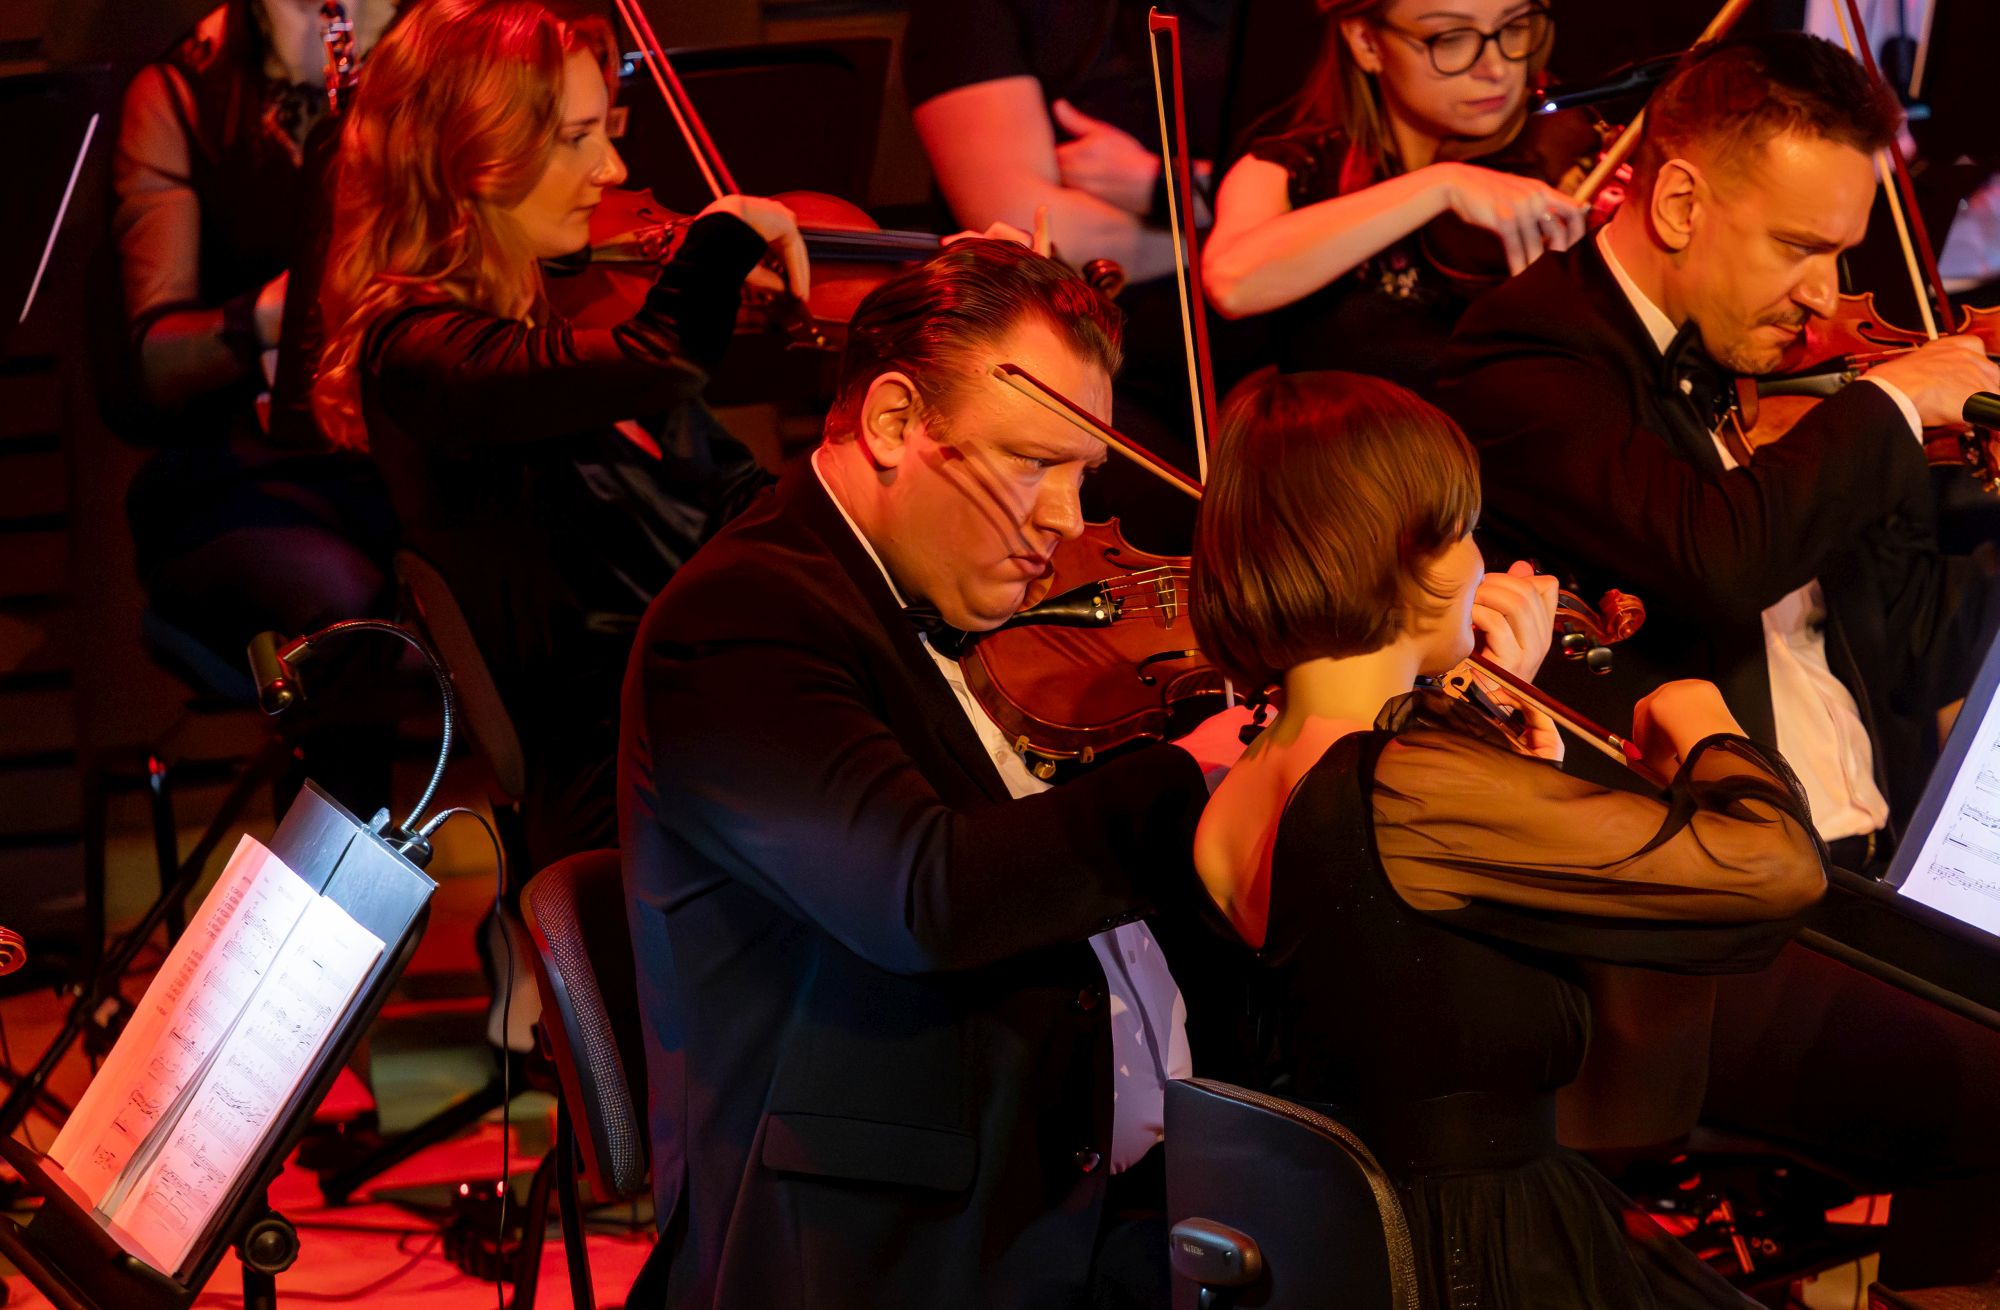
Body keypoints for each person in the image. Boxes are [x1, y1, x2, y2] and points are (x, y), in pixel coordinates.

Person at [1432, 31, 2000, 1288]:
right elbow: (1711, 555)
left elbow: (1912, 654)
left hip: (1863, 887)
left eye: (1841, 253)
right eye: (1797, 247)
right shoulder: (1526, 358)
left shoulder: (1800, 392)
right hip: (1694, 930)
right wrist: (1888, 408)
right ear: (1680, 201)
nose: (1823, 295)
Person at [621, 238, 1247, 1308]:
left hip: (1091, 1202)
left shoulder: (953, 603)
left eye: (1081, 473)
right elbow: (925, 896)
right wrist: (1188, 775)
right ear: (893, 421)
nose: (1065, 519)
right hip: (898, 1251)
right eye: (1031, 462)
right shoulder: (740, 622)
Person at [1190, 368, 1826, 1308]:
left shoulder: (1248, 778)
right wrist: (1708, 729)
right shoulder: (1398, 783)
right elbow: (1774, 867)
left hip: (1365, 1244)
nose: (1482, 562)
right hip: (1479, 1254)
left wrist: (1495, 752)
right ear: (1412, 553)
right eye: (1464, 530)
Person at [312, 0, 796, 870]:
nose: (613, 168)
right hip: (640, 796)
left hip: (724, 730)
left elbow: (744, 501)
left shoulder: (555, 328)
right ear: (471, 152)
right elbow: (667, 353)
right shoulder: (419, 356)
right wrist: (722, 240)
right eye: (576, 139)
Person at [112, 0, 401, 814]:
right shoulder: (185, 92)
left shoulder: (434, 46)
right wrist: (281, 309)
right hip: (243, 482)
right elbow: (155, 360)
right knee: (343, 613)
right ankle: (337, 889)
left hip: (403, 462)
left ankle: (564, 880)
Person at [902, 0, 1319, 552]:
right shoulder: (976, 14)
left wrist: (1159, 184)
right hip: (1087, 363)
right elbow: (1038, 230)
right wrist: (1240, 244)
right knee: (1183, 525)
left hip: (1267, 350)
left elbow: (1322, 191)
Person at [1202, 0, 1587, 392]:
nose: (1497, 69)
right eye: (1451, 38)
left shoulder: (1568, 150)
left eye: (1515, 27)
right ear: (1366, 43)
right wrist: (1441, 185)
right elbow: (1232, 284)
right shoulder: (1291, 170)